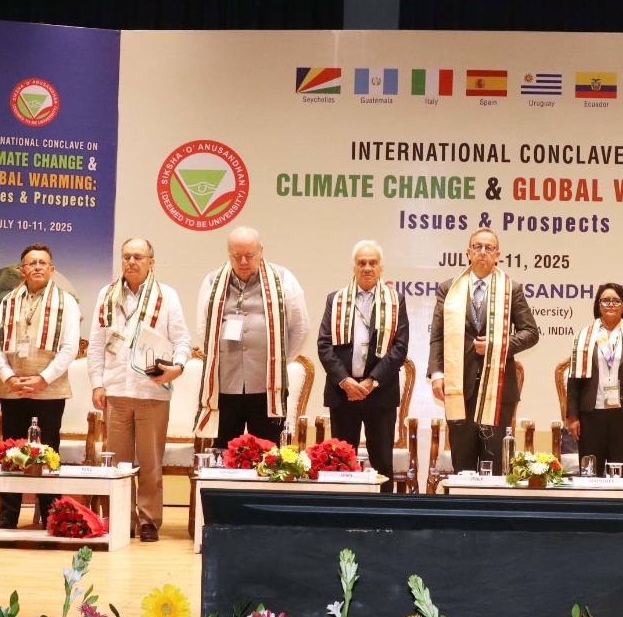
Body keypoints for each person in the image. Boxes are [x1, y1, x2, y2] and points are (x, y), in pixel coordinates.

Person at [89, 238, 191, 542]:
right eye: (126, 256)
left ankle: (148, 521)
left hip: (152, 392)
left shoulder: (166, 296)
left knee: (150, 464)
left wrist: (178, 366)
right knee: (119, 464)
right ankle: (123, 519)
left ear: (151, 262)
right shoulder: (107, 294)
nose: (131, 262)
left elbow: (182, 340)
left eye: (138, 257)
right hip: (116, 391)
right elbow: (96, 344)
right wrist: (97, 383)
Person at [428, 228, 540, 472]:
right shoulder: (449, 289)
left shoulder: (512, 289)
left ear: (497, 255)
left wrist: (496, 346)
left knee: (495, 467)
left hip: (498, 390)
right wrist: (437, 374)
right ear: (468, 252)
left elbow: (531, 333)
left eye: (489, 248)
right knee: (463, 467)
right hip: (459, 388)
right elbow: (437, 336)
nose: (482, 252)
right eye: (477, 247)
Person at [0, 244, 82, 529]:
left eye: (43, 262)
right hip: (13, 389)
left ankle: (51, 515)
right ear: (22, 270)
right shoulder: (8, 301)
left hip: (49, 390)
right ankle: (8, 515)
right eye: (32, 263)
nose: (37, 266)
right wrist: (8, 377)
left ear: (51, 269)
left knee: (48, 453)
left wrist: (42, 379)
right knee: (12, 452)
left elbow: (70, 348)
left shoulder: (67, 302)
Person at [195, 227, 309, 447]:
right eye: (237, 256)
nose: (244, 262)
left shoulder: (283, 279)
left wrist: (277, 361)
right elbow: (203, 329)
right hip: (225, 386)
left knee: (268, 453)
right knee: (224, 452)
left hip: (268, 386)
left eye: (249, 255)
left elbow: (300, 327)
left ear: (261, 250)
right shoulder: (212, 282)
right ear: (228, 253)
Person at [316, 241, 410, 486]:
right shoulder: (335, 299)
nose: (367, 268)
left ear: (381, 268)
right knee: (341, 464)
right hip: (343, 393)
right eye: (362, 263)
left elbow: (400, 348)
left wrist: (372, 381)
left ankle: (384, 512)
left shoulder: (396, 301)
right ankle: (342, 511)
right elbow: (324, 345)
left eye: (373, 263)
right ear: (354, 267)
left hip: (380, 393)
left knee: (382, 464)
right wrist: (345, 381)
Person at [565, 283, 623, 473]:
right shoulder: (583, 337)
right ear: (598, 305)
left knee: (620, 474)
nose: (610, 304)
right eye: (605, 300)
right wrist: (573, 416)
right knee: (590, 474)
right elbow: (573, 381)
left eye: (616, 301)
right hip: (591, 415)